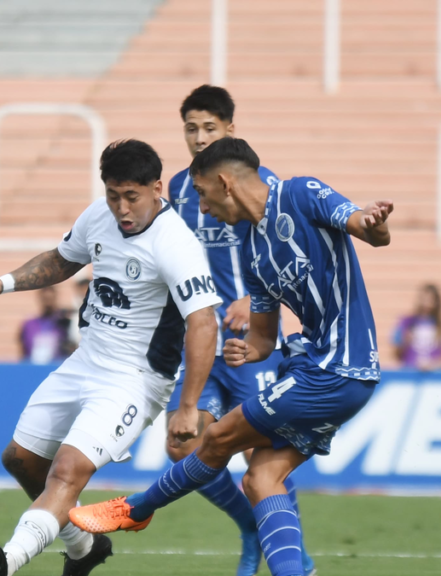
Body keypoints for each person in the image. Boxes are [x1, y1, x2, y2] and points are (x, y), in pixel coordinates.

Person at [70, 137, 394, 576]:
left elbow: (367, 228)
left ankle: (137, 508)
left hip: (337, 368)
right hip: (317, 367)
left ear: (224, 183)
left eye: (202, 194)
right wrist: (248, 349)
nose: (201, 208)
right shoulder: (252, 252)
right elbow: (263, 339)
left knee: (219, 438)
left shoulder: (299, 193)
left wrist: (375, 224)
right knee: (261, 479)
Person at [0, 139, 222, 576]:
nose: (121, 207)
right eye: (113, 194)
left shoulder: (176, 243)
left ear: (158, 188)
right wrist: (1, 284)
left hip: (135, 380)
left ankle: (8, 559)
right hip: (86, 360)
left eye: (131, 197)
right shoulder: (98, 215)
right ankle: (85, 547)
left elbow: (204, 323)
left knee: (66, 470)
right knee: (19, 460)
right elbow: (63, 260)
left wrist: (189, 406)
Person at [165, 85, 313, 576]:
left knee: (260, 457)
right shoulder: (179, 189)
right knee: (182, 444)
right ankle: (250, 527)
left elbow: (285, 249)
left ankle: (292, 556)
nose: (200, 137)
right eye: (192, 128)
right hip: (201, 334)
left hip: (252, 337)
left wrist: (254, 298)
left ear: (230, 129)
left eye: (210, 128)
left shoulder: (261, 181)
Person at [392, 284, 441, 371]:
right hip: (410, 372)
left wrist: (433, 365)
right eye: (424, 298)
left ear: (436, 302)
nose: (426, 303)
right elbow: (396, 354)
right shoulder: (407, 323)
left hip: (434, 375)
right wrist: (405, 342)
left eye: (430, 299)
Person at [19, 286, 71, 364]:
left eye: (50, 299)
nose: (48, 303)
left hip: (56, 368)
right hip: (34, 369)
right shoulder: (29, 325)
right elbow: (23, 351)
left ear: (55, 299)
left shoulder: (63, 324)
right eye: (45, 299)